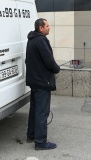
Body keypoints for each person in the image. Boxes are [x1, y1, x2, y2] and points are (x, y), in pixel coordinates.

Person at [26, 18, 61, 150]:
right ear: (41, 28)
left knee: (34, 110)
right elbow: (49, 60)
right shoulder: (41, 40)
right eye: (47, 26)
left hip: (34, 81)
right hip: (42, 82)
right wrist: (56, 69)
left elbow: (27, 60)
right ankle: (40, 142)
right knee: (42, 112)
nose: (49, 27)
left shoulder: (31, 39)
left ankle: (31, 135)